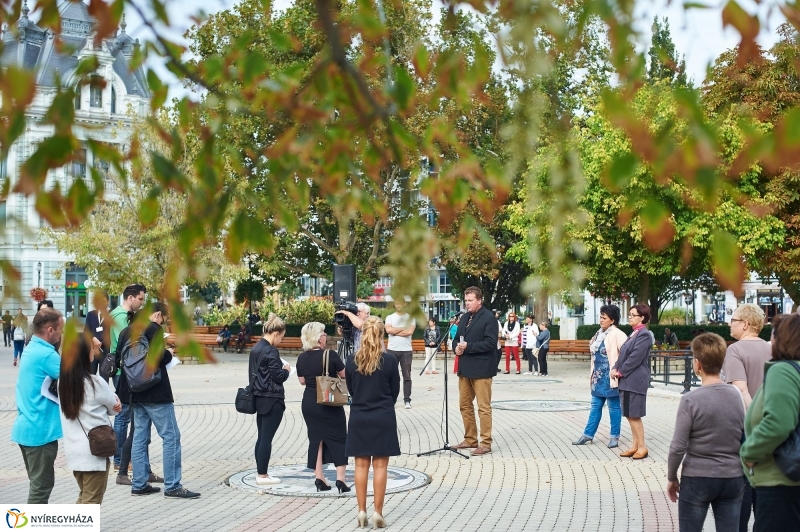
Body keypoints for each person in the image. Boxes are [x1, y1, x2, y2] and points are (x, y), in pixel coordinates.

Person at [666, 333, 745, 531]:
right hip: (732, 476)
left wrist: (672, 476)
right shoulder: (736, 395)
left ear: (698, 364)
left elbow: (678, 446)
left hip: (698, 476)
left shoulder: (691, 400)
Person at [129, 302, 200, 499]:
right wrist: (169, 354)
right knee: (171, 436)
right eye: (164, 319)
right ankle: (172, 485)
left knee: (139, 437)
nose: (164, 323)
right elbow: (159, 357)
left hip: (136, 390)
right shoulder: (153, 329)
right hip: (156, 392)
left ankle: (139, 483)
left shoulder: (130, 330)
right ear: (158, 315)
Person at [740, 313, 800, 531]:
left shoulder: (783, 371)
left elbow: (778, 422)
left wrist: (749, 453)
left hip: (779, 481)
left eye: (773, 334)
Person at [345, 316, 400, 529]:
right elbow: (395, 391)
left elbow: (351, 389)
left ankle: (361, 511)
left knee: (360, 466)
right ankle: (378, 512)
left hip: (359, 416)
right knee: (380, 467)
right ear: (381, 335)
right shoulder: (390, 361)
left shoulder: (352, 360)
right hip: (383, 416)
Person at [721, 304, 772, 531]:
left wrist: (755, 424)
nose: (729, 324)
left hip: (746, 427)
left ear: (746, 324)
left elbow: (741, 390)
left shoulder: (735, 350)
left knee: (742, 486)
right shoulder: (773, 348)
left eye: (733, 320)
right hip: (773, 426)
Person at [59, 335, 122, 504]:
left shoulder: (62, 384)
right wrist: (115, 399)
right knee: (91, 502)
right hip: (94, 451)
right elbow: (113, 408)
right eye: (91, 349)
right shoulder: (95, 383)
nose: (94, 351)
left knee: (85, 495)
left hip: (74, 451)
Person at [10, 308, 64, 503]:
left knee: (38, 484)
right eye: (60, 330)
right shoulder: (46, 355)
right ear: (50, 330)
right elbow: (75, 381)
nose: (61, 334)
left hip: (27, 427)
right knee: (41, 488)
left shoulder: (32, 347)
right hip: (39, 431)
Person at [295, 322, 350, 494]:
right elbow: (344, 375)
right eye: (324, 333)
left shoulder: (301, 358)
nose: (326, 336)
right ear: (319, 338)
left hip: (310, 403)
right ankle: (340, 479)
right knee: (340, 438)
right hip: (329, 400)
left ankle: (319, 478)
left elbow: (302, 381)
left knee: (316, 440)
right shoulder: (331, 355)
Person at [113, 310, 164, 487]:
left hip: (126, 384)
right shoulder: (145, 331)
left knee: (140, 431)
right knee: (137, 432)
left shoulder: (124, 331)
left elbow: (118, 357)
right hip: (138, 386)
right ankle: (123, 472)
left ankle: (145, 471)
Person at [573, 305, 628, 448]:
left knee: (614, 407)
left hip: (611, 377)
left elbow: (627, 355)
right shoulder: (599, 333)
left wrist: (619, 371)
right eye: (601, 317)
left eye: (604, 318)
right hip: (598, 377)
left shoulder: (618, 334)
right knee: (595, 405)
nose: (601, 320)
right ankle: (587, 435)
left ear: (612, 320)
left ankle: (614, 437)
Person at [452, 286, 498, 456]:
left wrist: (468, 347)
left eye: (470, 301)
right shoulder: (464, 318)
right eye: (466, 301)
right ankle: (470, 439)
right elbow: (456, 338)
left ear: (479, 300)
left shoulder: (489, 318)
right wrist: (456, 347)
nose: (467, 304)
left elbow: (490, 343)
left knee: (483, 407)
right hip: (465, 369)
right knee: (464, 404)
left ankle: (485, 443)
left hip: (482, 369)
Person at [250, 313, 291, 485]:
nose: (280, 340)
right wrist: (287, 370)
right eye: (281, 337)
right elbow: (278, 376)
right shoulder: (271, 351)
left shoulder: (256, 348)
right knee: (266, 438)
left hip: (259, 398)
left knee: (262, 436)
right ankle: (263, 475)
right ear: (275, 333)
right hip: (272, 398)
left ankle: (260, 471)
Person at [109, 283, 147, 472]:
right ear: (130, 298)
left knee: (124, 415)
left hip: (124, 370)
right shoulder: (121, 318)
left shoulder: (117, 314)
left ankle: (122, 458)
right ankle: (119, 459)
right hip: (123, 371)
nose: (141, 303)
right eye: (140, 299)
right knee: (123, 416)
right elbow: (128, 344)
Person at [610, 304, 652, 460]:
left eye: (633, 315)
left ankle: (642, 447)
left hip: (635, 380)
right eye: (630, 314)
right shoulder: (634, 333)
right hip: (627, 380)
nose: (630, 317)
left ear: (642, 318)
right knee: (629, 413)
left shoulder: (644, 335)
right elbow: (623, 355)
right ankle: (635, 446)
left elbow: (635, 357)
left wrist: (621, 371)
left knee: (634, 415)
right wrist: (615, 367)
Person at [384, 300, 415, 409]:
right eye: (397, 303)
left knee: (406, 376)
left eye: (400, 303)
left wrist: (394, 330)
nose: (398, 305)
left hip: (406, 350)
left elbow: (409, 332)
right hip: (392, 350)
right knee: (391, 376)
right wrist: (402, 328)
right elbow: (388, 330)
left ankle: (407, 399)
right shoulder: (390, 317)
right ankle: (391, 399)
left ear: (405, 304)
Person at [84, 291, 111, 375]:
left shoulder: (111, 315)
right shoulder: (91, 314)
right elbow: (86, 331)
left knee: (104, 378)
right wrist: (93, 339)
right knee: (91, 377)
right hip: (93, 351)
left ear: (108, 301)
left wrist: (102, 342)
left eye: (104, 301)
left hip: (106, 351)